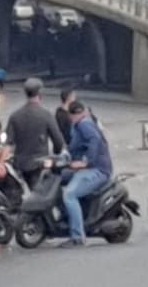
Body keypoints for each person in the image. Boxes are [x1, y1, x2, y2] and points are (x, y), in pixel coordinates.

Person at [60, 101, 113, 248]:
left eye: (78, 114)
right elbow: (73, 147)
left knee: (69, 194)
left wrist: (86, 162)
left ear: (82, 113)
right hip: (86, 168)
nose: (76, 117)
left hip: (97, 169)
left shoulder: (85, 124)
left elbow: (94, 140)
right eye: (74, 115)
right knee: (60, 179)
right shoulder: (77, 126)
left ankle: (77, 237)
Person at [0, 78, 64, 189]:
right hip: (39, 166)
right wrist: (56, 158)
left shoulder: (15, 116)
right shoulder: (46, 115)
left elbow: (8, 143)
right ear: (40, 93)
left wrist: (0, 163)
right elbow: (59, 142)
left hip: (19, 166)